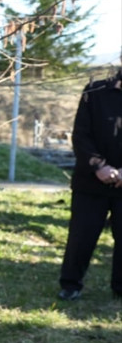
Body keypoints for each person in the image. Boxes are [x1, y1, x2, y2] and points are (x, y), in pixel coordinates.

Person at [58, 69, 122, 300]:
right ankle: (70, 285)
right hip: (91, 180)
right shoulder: (95, 91)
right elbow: (81, 135)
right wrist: (99, 167)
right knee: (81, 237)